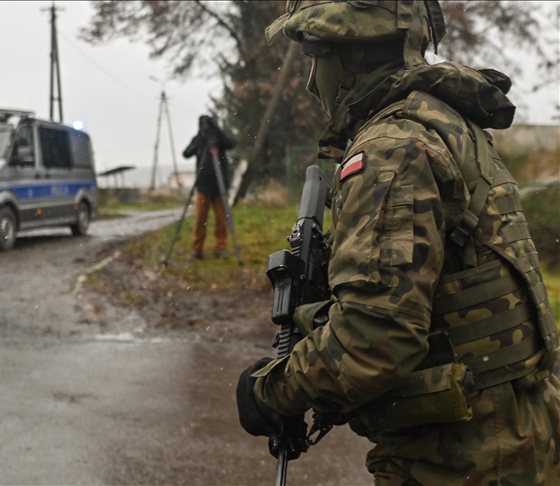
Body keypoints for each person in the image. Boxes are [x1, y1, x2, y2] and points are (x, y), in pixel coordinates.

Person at [236, 1, 559, 485]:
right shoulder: (446, 122)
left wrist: (269, 392)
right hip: (512, 431)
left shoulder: (392, 148)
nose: (309, 82)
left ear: (352, 53)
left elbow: (375, 339)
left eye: (315, 58)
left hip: (463, 456)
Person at [182, 115, 236, 259]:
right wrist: (199, 141)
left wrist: (216, 130)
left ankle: (220, 248)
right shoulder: (199, 139)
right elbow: (186, 154)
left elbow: (231, 144)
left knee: (221, 219)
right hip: (203, 186)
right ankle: (197, 249)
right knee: (200, 220)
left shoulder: (219, 139)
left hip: (220, 186)